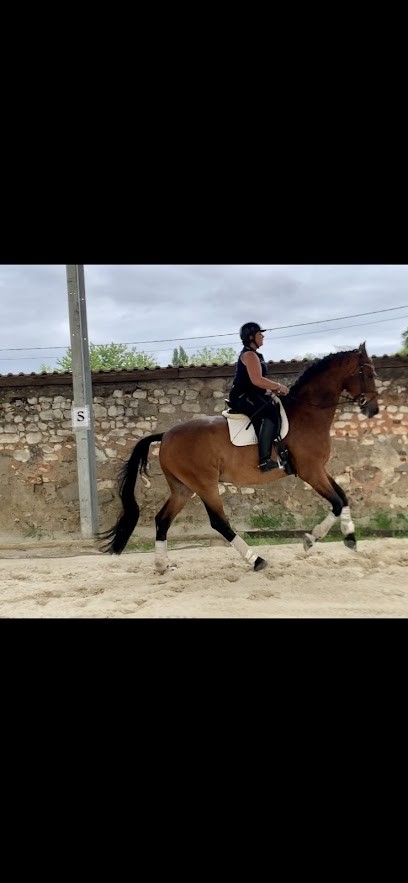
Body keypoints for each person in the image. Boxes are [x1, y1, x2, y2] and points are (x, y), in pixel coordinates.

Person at [228, 322, 289, 472]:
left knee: (275, 408)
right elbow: (257, 380)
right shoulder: (249, 355)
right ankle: (264, 461)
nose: (263, 336)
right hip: (242, 396)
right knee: (269, 413)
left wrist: (272, 390)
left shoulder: (256, 355)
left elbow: (257, 382)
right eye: (259, 334)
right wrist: (279, 387)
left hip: (253, 394)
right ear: (251, 337)